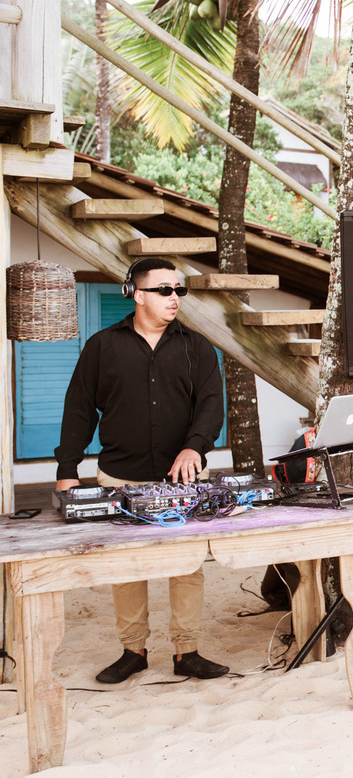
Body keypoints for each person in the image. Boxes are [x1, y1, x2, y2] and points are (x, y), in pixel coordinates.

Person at [55, 257, 229, 683]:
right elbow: (79, 408)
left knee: (186, 566)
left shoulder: (197, 347)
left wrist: (193, 447)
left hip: (182, 479)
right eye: (164, 289)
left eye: (178, 290)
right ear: (135, 294)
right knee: (128, 568)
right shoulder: (101, 346)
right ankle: (133, 651)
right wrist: (67, 468)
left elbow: (211, 405)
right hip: (120, 474)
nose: (175, 297)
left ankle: (186, 651)